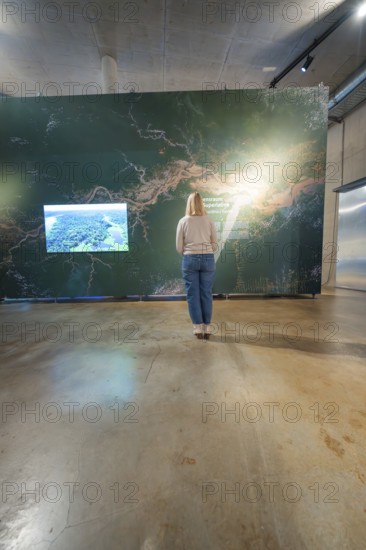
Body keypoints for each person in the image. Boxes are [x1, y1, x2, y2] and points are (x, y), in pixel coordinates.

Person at [176, 192, 218, 340]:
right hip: (208, 259)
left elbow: (178, 247)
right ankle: (207, 327)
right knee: (206, 293)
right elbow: (215, 244)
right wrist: (206, 250)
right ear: (202, 203)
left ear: (189, 203)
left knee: (193, 295)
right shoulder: (209, 220)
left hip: (189, 259)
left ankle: (197, 328)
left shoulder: (183, 221)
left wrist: (189, 253)